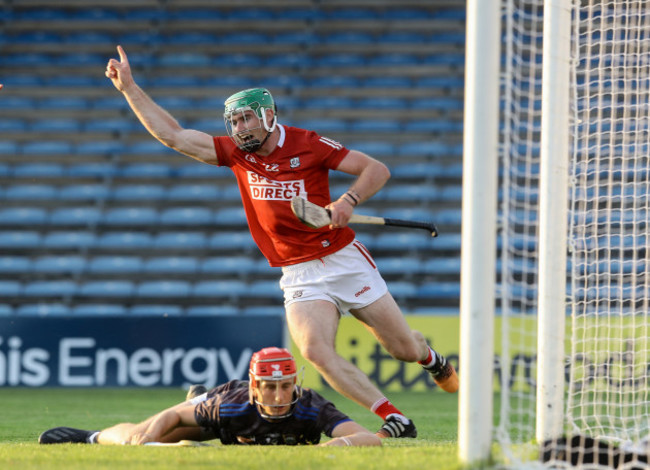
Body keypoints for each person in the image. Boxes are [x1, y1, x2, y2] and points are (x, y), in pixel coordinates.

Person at [104, 45, 459, 439]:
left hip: (343, 259)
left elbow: (376, 169)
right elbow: (172, 135)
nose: (239, 129)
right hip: (298, 271)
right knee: (314, 351)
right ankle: (394, 417)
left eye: (246, 119)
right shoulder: (237, 154)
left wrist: (348, 200)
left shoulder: (309, 144)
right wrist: (129, 89)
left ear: (269, 116)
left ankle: (430, 358)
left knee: (402, 350)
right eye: (233, 121)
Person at [39, 347, 381, 447]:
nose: (278, 394)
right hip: (221, 420)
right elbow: (169, 418)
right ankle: (91, 437)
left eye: (286, 385)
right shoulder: (232, 402)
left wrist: (331, 448)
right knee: (138, 434)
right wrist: (149, 440)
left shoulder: (311, 405)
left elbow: (369, 440)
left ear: (296, 383)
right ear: (254, 385)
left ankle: (195, 400)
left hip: (228, 421)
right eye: (269, 386)